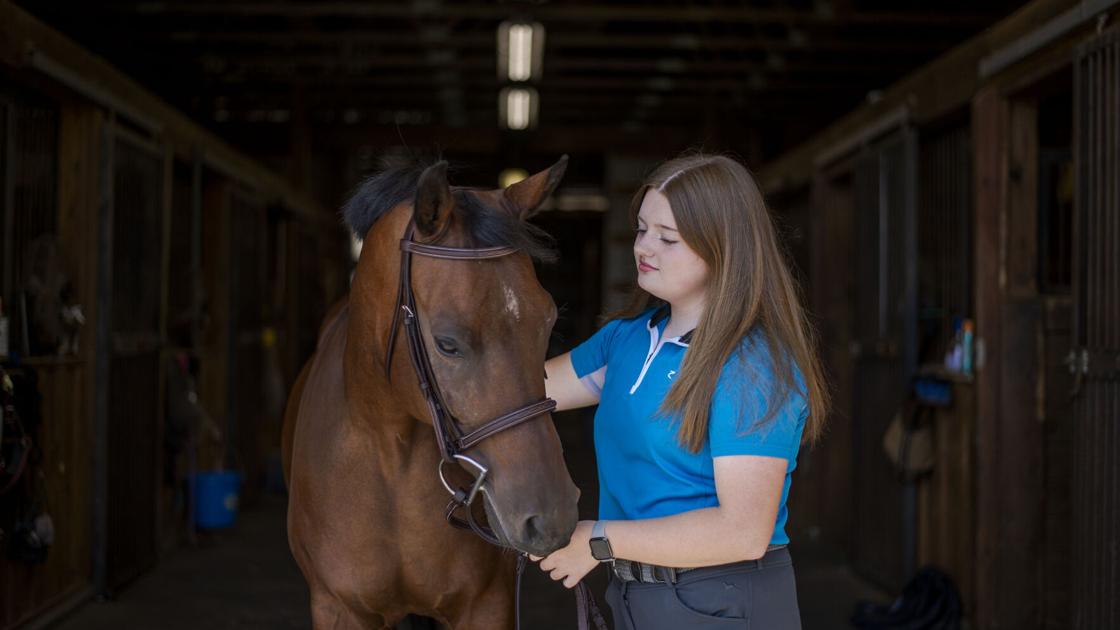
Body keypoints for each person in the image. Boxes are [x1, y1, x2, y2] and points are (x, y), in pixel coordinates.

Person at [535, 153, 829, 629]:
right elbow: (518, 396)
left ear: (723, 249)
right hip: (632, 594)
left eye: (667, 238)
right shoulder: (626, 339)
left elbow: (743, 533)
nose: (644, 248)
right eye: (641, 229)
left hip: (721, 599)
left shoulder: (753, 366)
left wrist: (597, 539)